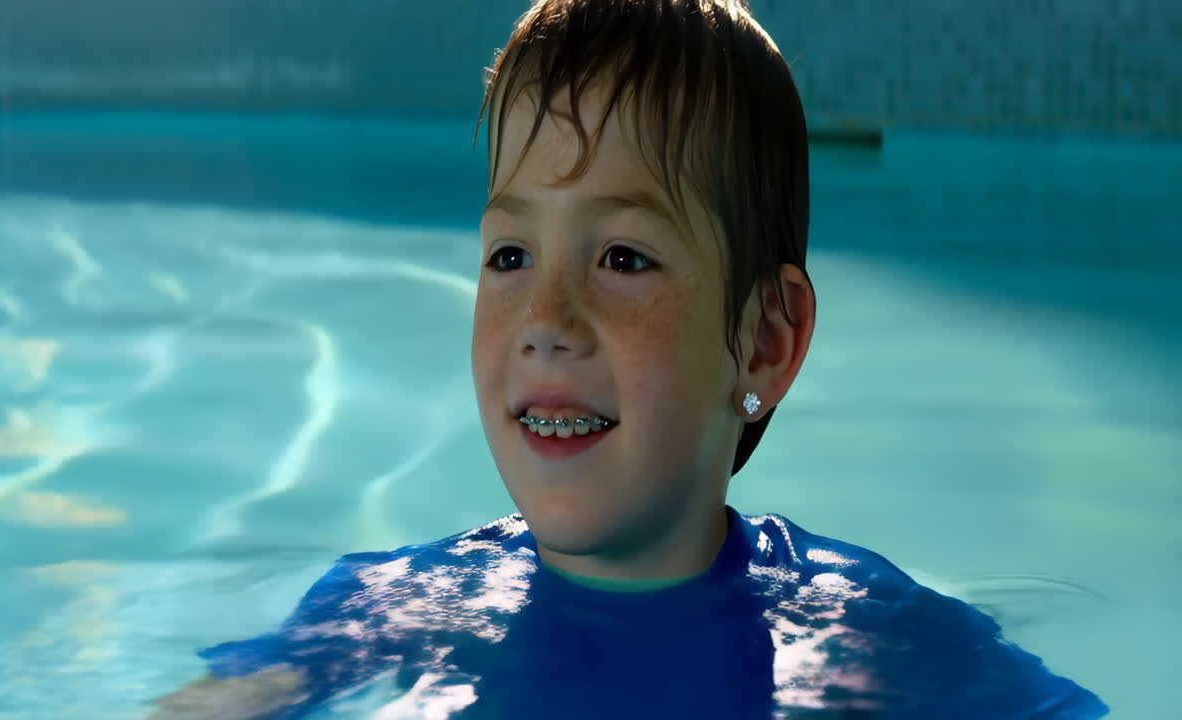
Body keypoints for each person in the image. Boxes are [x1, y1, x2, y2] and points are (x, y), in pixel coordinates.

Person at [149, 1, 1109, 717]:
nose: (546, 319)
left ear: (765, 342)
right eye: (510, 256)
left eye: (622, 258)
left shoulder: (867, 628)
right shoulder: (398, 606)